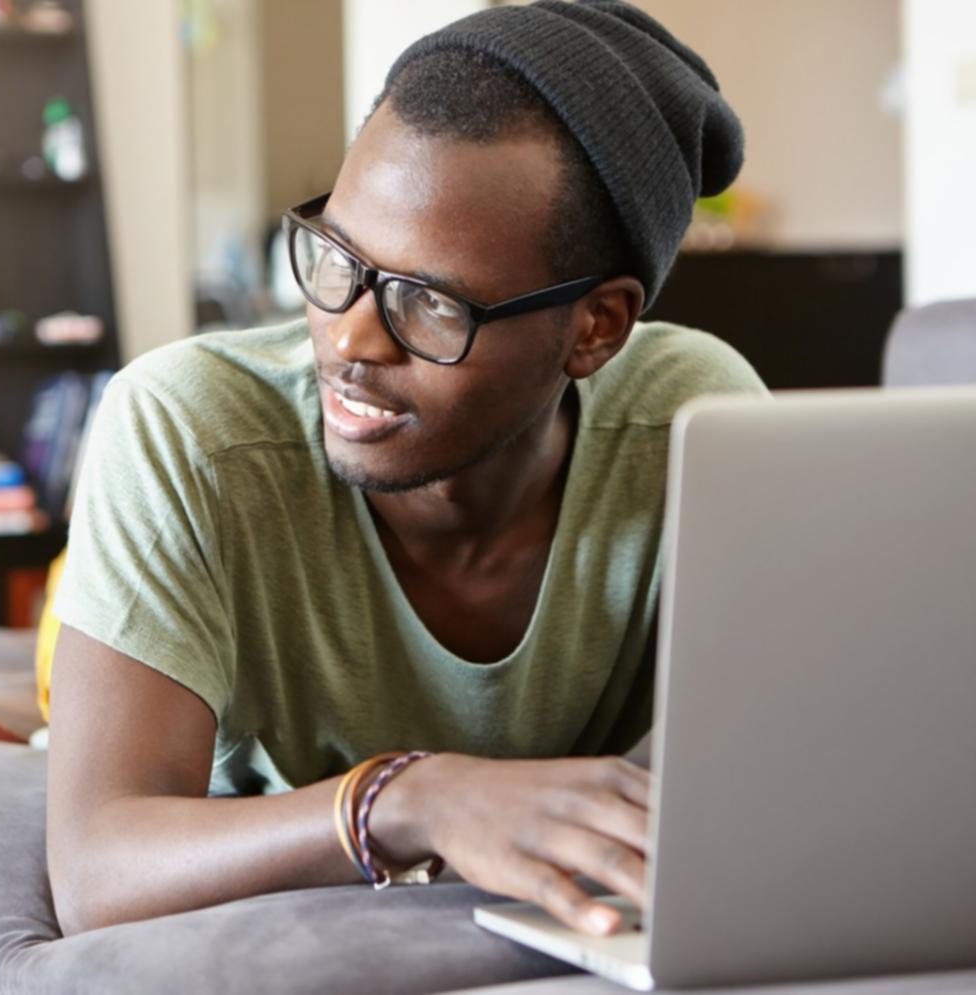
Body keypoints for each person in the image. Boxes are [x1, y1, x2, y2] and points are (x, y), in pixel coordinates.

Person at [46, 0, 764, 940]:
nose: (347, 339)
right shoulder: (189, 427)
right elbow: (97, 867)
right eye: (337, 255)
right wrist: (409, 798)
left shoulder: (692, 422)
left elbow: (775, 771)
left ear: (595, 329)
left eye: (428, 302)